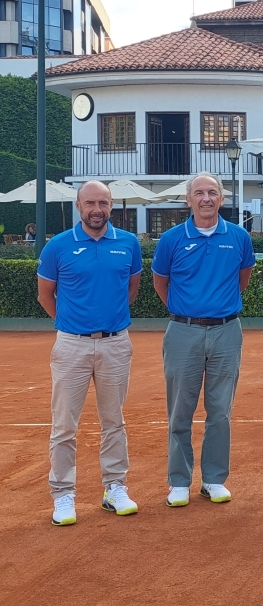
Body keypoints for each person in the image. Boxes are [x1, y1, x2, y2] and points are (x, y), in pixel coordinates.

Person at [37, 180, 142, 526]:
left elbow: (131, 288)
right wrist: (73, 325)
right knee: (64, 425)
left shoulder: (128, 243)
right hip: (71, 345)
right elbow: (45, 295)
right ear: (79, 206)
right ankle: (63, 493)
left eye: (103, 203)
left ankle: (115, 487)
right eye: (90, 203)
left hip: (115, 343)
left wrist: (106, 324)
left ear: (111, 206)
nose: (97, 209)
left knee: (114, 421)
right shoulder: (58, 246)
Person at [151, 172, 256, 507]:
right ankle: (179, 481)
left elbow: (242, 279)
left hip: (227, 330)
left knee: (220, 411)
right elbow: (160, 283)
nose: (206, 198)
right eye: (199, 193)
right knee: (180, 410)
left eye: (213, 192)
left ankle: (213, 479)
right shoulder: (171, 239)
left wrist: (215, 310)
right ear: (188, 199)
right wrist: (188, 315)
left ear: (222, 199)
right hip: (183, 332)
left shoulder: (239, 237)